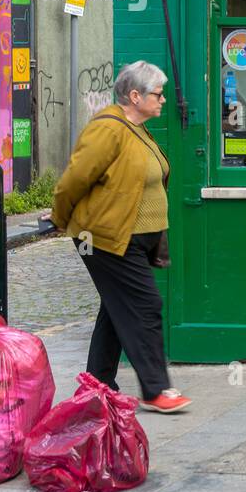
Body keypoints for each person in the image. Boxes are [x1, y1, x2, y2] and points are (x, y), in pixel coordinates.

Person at [49, 61, 191, 413]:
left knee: (115, 309)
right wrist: (60, 219)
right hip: (103, 238)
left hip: (132, 238)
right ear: (135, 96)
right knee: (146, 306)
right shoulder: (108, 129)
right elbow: (74, 180)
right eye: (158, 94)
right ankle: (156, 390)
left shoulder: (138, 130)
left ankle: (96, 385)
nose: (163, 100)